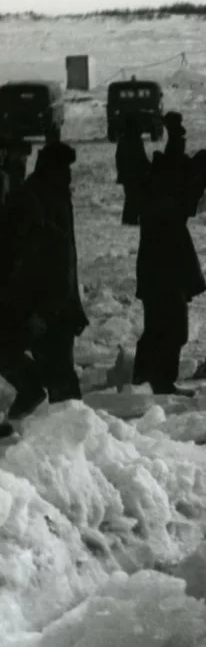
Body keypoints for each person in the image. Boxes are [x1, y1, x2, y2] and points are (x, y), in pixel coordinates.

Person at [0, 141, 89, 437]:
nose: (68, 176)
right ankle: (35, 403)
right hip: (35, 302)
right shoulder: (34, 200)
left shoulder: (46, 197)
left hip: (49, 303)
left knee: (61, 374)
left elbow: (61, 266)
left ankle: (76, 442)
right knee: (52, 369)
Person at [133, 111, 206, 396]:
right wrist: (176, 134)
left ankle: (143, 377)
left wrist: (176, 134)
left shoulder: (158, 191)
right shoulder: (163, 196)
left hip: (159, 272)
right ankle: (159, 381)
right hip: (164, 273)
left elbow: (174, 160)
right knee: (173, 328)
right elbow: (175, 160)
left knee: (158, 327)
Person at [116, 116, 151, 225]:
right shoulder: (135, 140)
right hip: (135, 174)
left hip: (129, 174)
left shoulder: (124, 140)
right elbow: (141, 157)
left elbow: (119, 158)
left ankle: (129, 218)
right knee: (135, 196)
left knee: (131, 196)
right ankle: (131, 218)